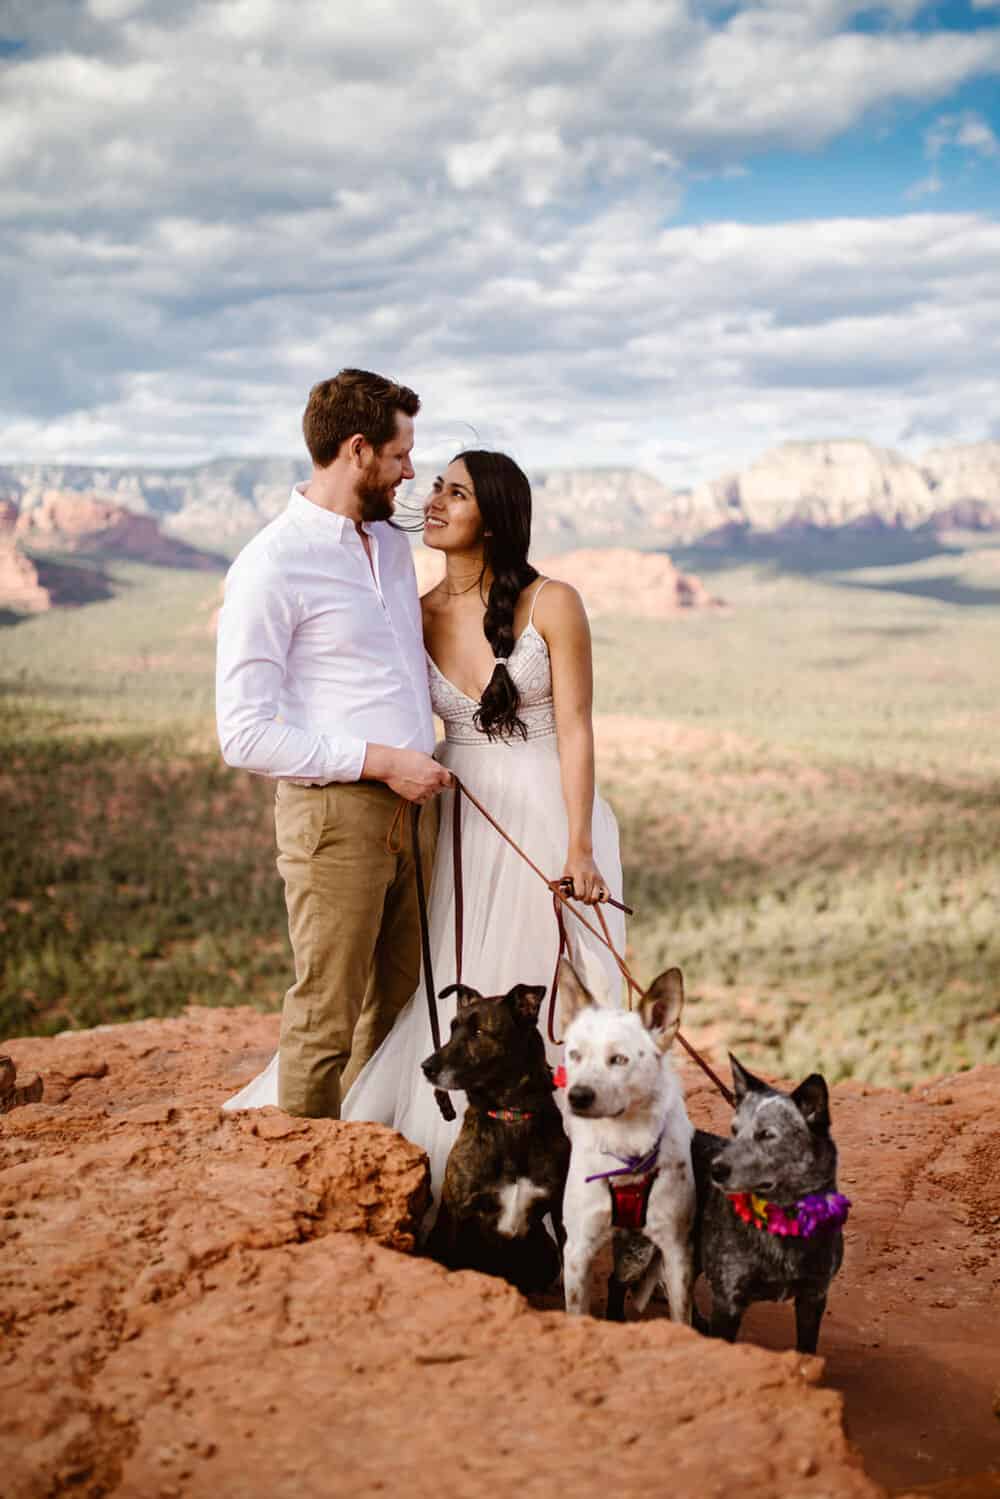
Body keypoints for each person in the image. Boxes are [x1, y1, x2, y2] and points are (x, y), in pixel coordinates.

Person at [336, 449, 626, 1218]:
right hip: (456, 816)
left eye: (454, 492)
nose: (432, 499)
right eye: (433, 485)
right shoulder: (414, 610)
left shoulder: (554, 602)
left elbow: (577, 727)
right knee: (463, 977)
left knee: (556, 992)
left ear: (492, 518)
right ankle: (464, 1184)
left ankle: (584, 1199)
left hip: (548, 812)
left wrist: (580, 848)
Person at [216, 368, 451, 1120]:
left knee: (400, 1002)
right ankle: (301, 1190)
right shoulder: (271, 564)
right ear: (357, 449)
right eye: (400, 453)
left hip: (416, 812)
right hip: (336, 817)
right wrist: (381, 761)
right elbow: (243, 732)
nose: (411, 470)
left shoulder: (387, 544)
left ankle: (367, 1165)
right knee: (326, 1012)